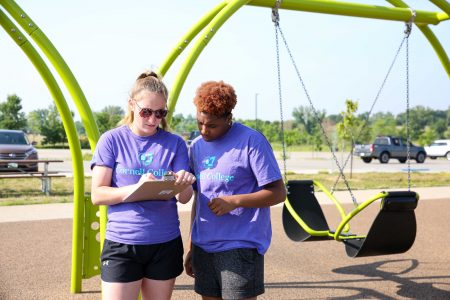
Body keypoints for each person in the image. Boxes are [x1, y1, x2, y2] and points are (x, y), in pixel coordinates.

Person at [90, 71, 196, 300]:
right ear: (131, 105)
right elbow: (97, 194)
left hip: (164, 242)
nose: (153, 119)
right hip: (122, 242)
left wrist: (184, 182)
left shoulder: (175, 143)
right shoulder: (111, 140)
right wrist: (137, 188)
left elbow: (185, 198)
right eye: (146, 112)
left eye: (160, 113)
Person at [184, 80, 287, 300]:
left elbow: (278, 192)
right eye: (199, 123)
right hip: (204, 247)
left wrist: (235, 201)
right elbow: (198, 199)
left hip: (240, 246)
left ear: (228, 119)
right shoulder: (196, 147)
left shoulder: (252, 141)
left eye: (212, 126)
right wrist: (192, 246)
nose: (204, 131)